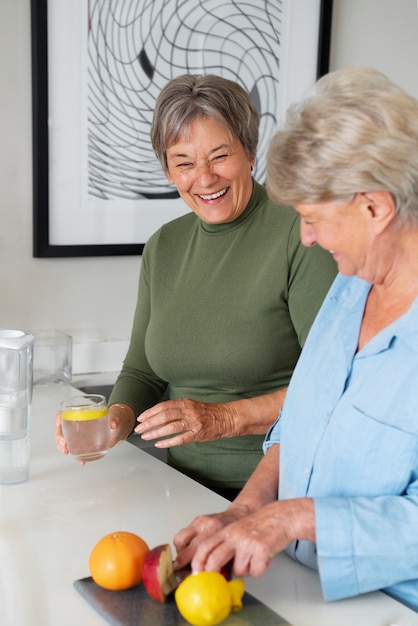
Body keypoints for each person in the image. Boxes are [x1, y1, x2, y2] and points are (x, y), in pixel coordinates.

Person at [172, 67, 418, 611]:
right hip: (299, 590)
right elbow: (303, 424)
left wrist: (292, 517)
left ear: (374, 208)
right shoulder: (350, 287)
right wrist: (245, 510)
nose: (305, 237)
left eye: (312, 218)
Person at [55, 74, 336, 498]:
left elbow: (333, 384)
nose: (204, 178)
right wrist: (116, 419)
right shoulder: (163, 246)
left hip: (283, 493)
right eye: (184, 162)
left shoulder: (302, 234)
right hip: (181, 488)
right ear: (168, 171)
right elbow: (141, 372)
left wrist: (223, 418)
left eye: (219, 156)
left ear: (250, 152)